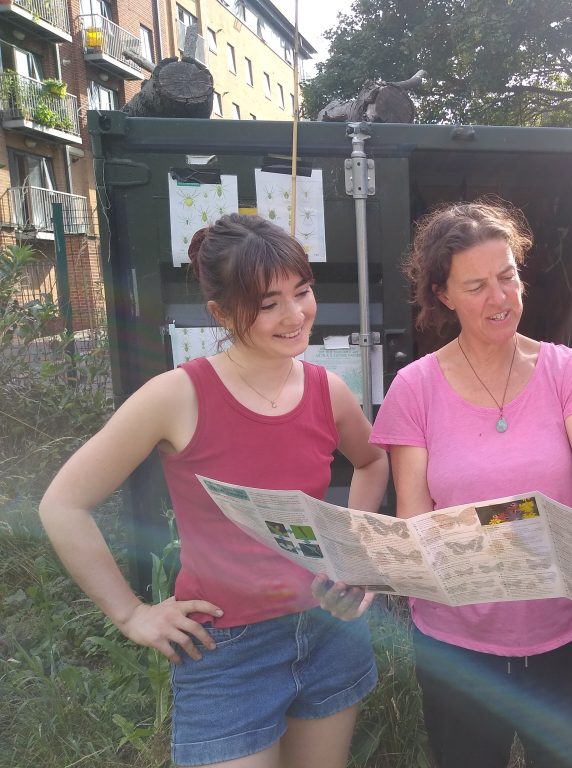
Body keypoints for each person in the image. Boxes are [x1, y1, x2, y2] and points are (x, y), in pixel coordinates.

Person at [39, 214, 389, 768]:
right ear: (220, 313)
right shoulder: (176, 395)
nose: (295, 315)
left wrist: (348, 551)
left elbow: (372, 462)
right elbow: (62, 504)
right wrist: (131, 615)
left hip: (329, 631)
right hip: (225, 649)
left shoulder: (329, 390)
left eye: (302, 292)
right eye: (268, 303)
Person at [319, 199, 572, 768]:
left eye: (508, 276)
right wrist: (369, 570)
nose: (500, 298)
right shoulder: (415, 389)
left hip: (564, 631)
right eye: (477, 286)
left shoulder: (566, 370)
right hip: (456, 642)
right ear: (443, 295)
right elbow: (416, 521)